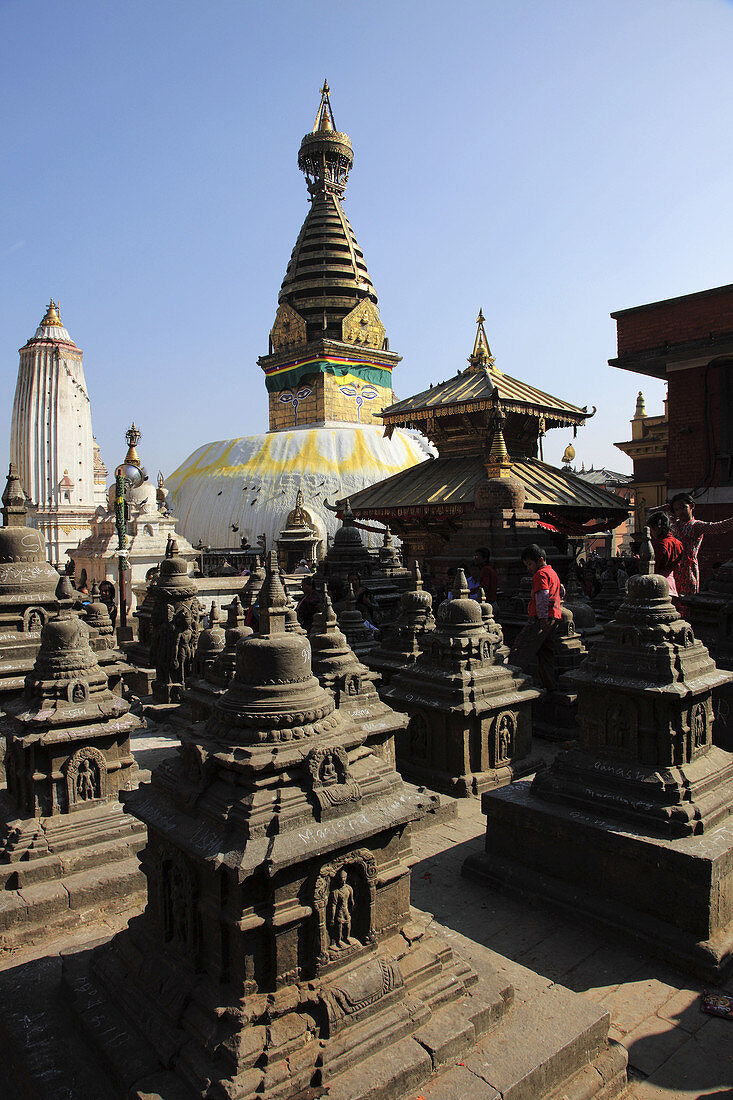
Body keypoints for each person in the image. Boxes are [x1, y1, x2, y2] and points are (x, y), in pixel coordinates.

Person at [509, 544, 563, 691]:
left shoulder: (540, 574)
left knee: (521, 649)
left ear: (540, 560)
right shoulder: (553, 573)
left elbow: (543, 595)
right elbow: (561, 591)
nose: (529, 568)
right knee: (546, 653)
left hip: (542, 619)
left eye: (530, 564)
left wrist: (543, 617)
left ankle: (509, 680)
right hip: (555, 616)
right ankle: (549, 685)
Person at [668, 494, 733, 597]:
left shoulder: (696, 526)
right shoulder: (674, 525)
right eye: (677, 510)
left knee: (688, 601)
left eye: (683, 507)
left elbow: (718, 527)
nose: (680, 512)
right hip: (673, 569)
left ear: (692, 506)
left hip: (688, 569)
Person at [648, 513, 683, 597]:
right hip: (671, 584)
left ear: (657, 528)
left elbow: (654, 566)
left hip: (658, 584)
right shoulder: (678, 543)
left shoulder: (661, 545)